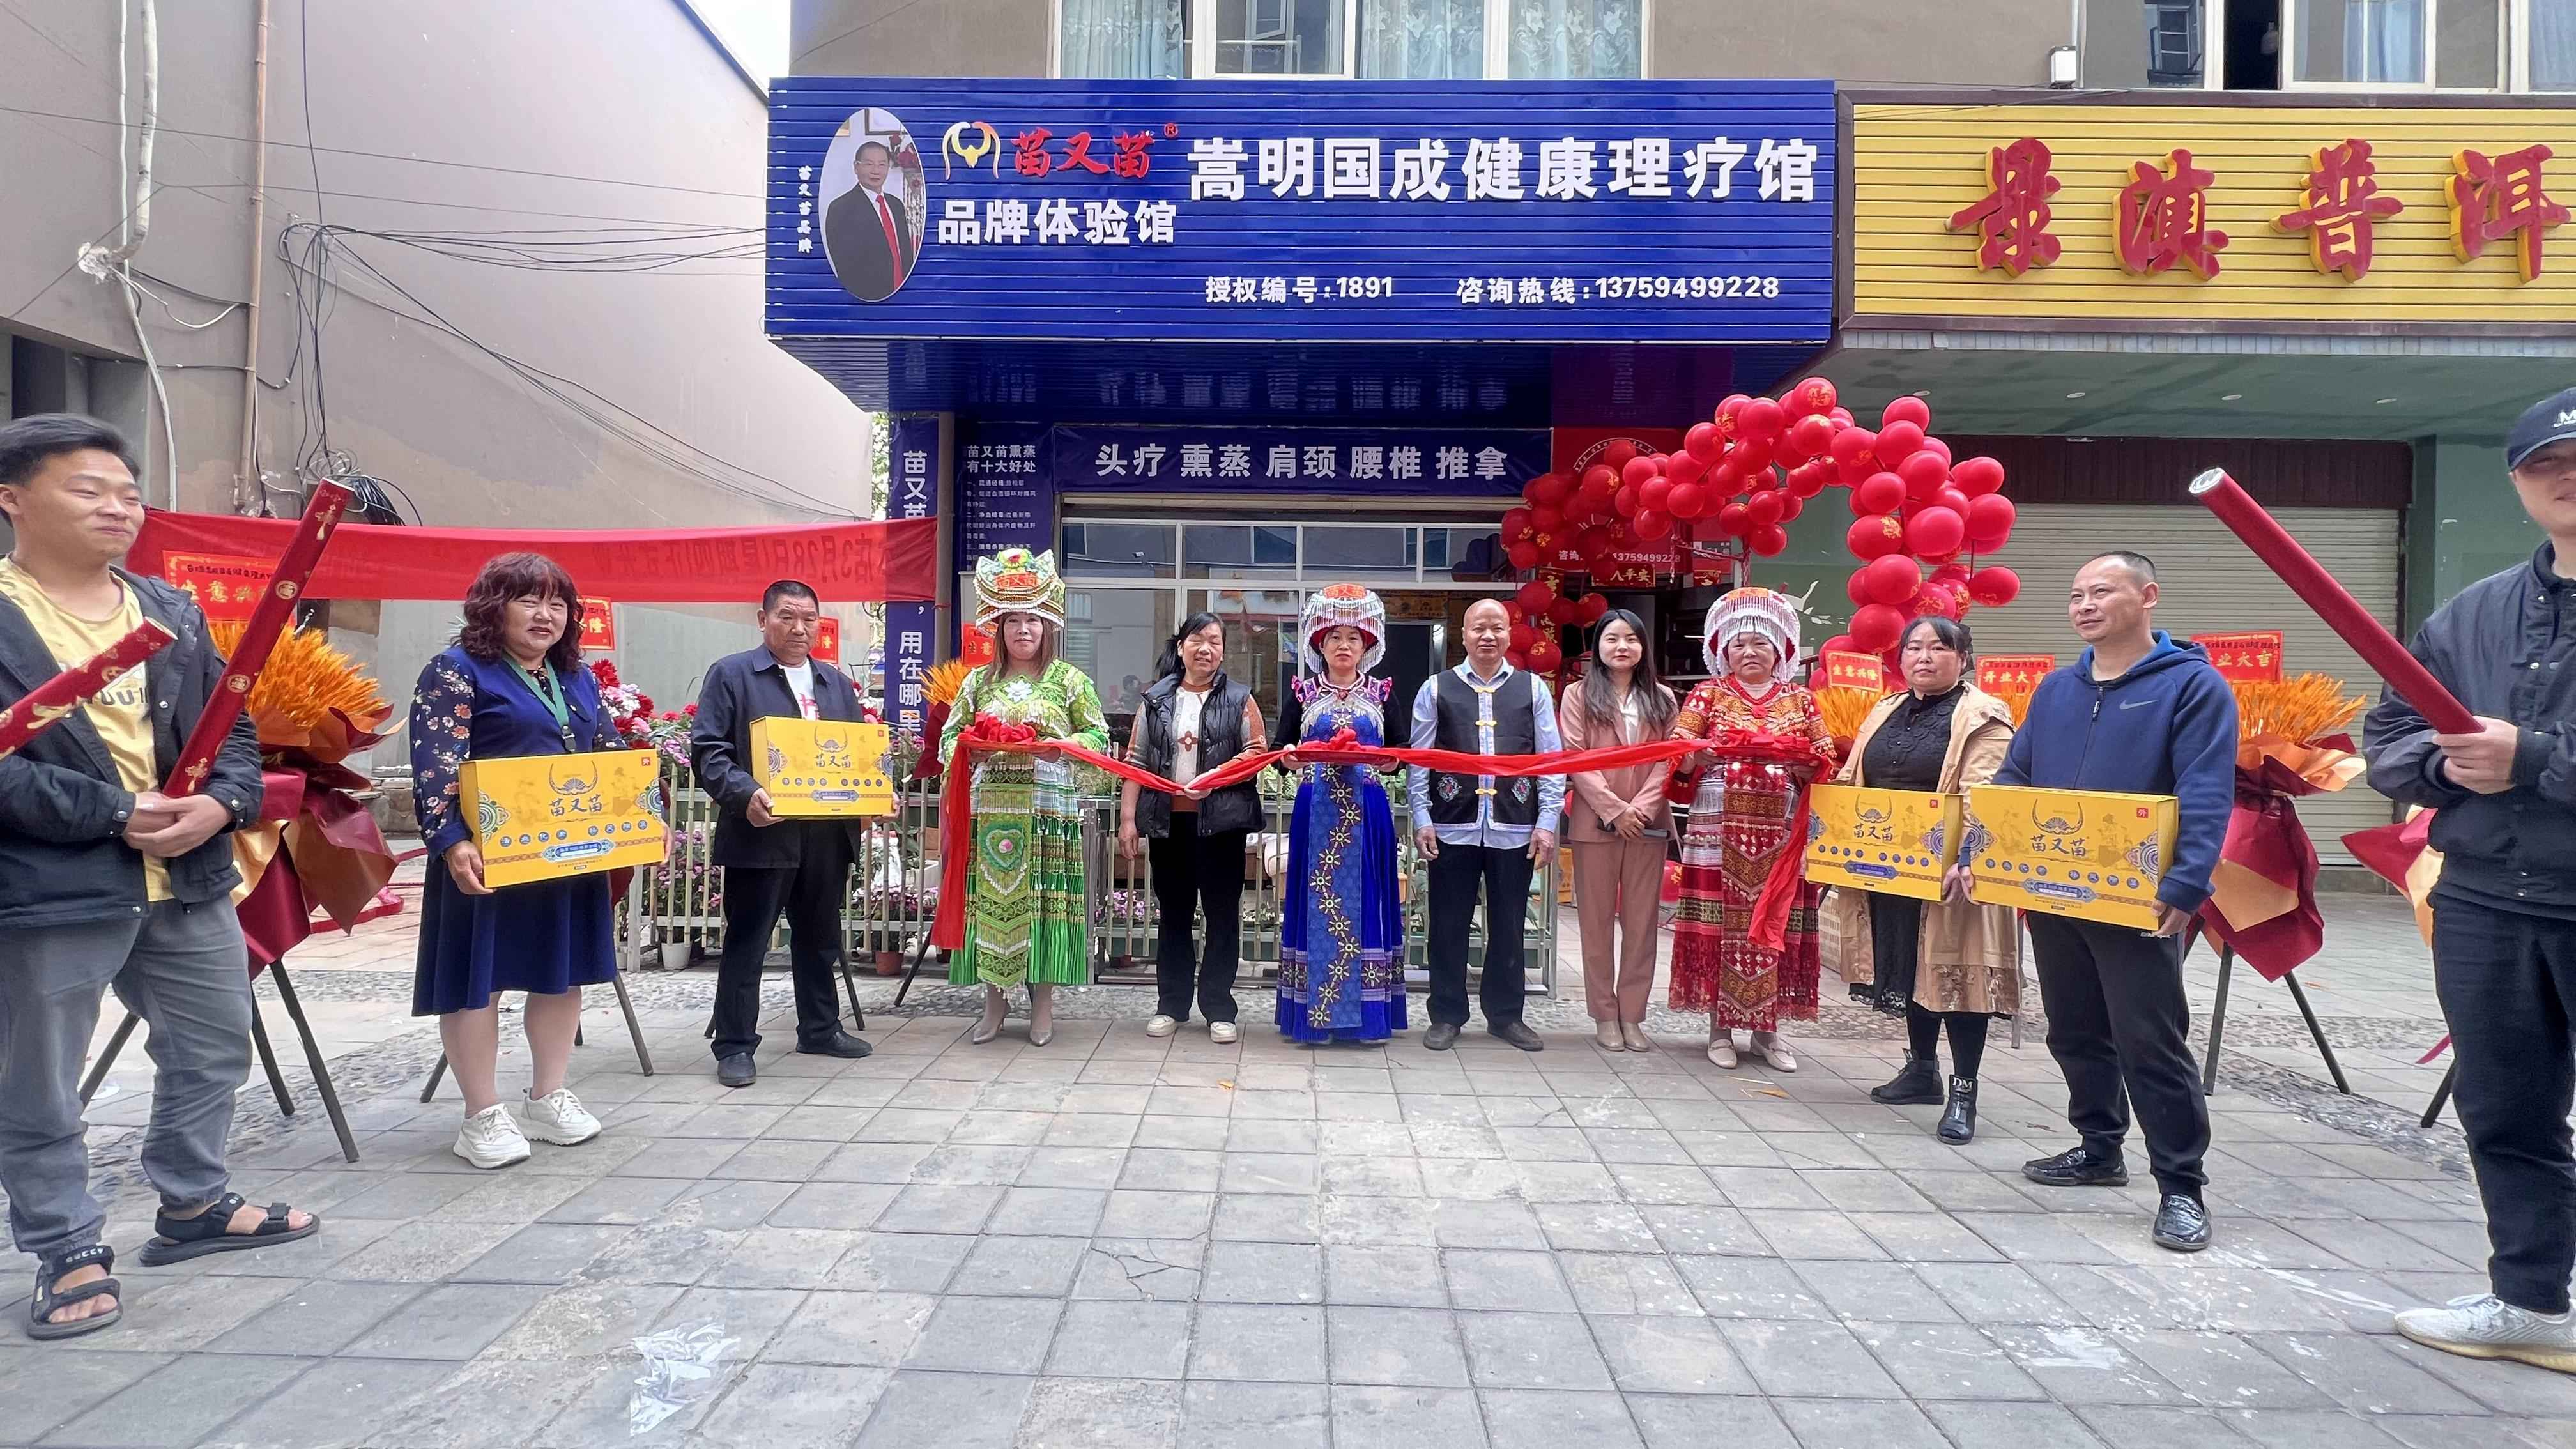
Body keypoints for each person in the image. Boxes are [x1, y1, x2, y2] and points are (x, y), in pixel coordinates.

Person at [0, 414, 315, 1339]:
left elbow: (233, 728)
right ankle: (65, 1244)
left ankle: (193, 1201)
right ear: (13, 499)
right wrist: (112, 813)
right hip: (53, 885)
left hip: (186, 876)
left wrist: (224, 804)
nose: (118, 508)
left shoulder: (168, 610)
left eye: (129, 494)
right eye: (88, 490)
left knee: (214, 1042)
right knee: (41, 1076)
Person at [2365, 387, 2576, 1370]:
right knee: (2505, 1110)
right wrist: (2450, 769)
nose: (2565, 478)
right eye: (2545, 465)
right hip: (2488, 899)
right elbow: (2390, 733)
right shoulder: (2475, 612)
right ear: (2518, 484)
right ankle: (2531, 1301)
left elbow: (2525, 755)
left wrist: (2533, 758)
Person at [1994, 551, 2235, 1254]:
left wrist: (2187, 884)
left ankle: (2181, 1186)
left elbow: (2206, 791)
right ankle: (2099, 1147)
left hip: (2139, 896)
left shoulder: (2192, 686)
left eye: (2102, 591)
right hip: (2052, 888)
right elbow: (2015, 778)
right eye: (2076, 595)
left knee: (2149, 1039)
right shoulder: (2056, 690)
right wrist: (1985, 853)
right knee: (2072, 1027)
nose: (2086, 605)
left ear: (2148, 595)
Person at [411, 553, 622, 1167]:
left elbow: (609, 753)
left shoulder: (575, 677)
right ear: (493, 606)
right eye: (529, 600)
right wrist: (452, 841)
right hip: (487, 857)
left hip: (565, 852)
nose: (545, 615)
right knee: (478, 981)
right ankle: (480, 1113)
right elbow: (436, 766)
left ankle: (547, 1095)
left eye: (558, 604)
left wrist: (646, 814)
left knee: (561, 971)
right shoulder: (456, 671)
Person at [1826, 616, 2021, 1144]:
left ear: (1964, 658)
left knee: (1959, 978)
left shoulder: (1982, 716)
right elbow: (1852, 780)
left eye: (1939, 648)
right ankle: (1921, 1070)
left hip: (1955, 872)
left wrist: (1968, 856)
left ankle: (1964, 1090)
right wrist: (1832, 844)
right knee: (1911, 967)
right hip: (1892, 865)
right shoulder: (1885, 708)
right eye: (1914, 648)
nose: (1924, 657)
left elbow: (1987, 793)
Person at [691, 580, 876, 1089]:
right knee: (748, 941)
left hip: (826, 833)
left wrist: (875, 794)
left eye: (809, 619)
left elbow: (856, 752)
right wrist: (744, 792)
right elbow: (708, 750)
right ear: (763, 620)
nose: (799, 628)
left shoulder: (835, 683)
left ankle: (820, 1028)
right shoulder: (733, 675)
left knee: (820, 937)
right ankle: (734, 1045)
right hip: (762, 830)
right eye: (787, 617)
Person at [940, 548, 1109, 1044]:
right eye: (1012, 620)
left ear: (1048, 626)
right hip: (991, 812)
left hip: (1047, 811)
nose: (1023, 630)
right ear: (998, 629)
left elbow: (1099, 737)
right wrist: (971, 748)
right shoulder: (978, 681)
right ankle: (994, 1003)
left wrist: (1063, 746)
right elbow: (950, 737)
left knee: (1044, 904)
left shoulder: (1070, 681)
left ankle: (1043, 1006)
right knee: (992, 903)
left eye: (1032, 620)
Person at [1668, 588, 1838, 1071]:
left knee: (1775, 921)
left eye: (1761, 643)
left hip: (1782, 829)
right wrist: (1697, 756)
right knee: (1721, 923)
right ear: (1724, 651)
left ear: (1780, 649)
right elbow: (1677, 750)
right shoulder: (1709, 694)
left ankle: (1768, 1033)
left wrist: (1808, 766)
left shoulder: (1801, 700)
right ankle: (1719, 1029)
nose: (1749, 652)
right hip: (1716, 825)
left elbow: (1826, 756)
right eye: (1739, 644)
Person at [1409, 596, 1563, 1052]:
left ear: (1510, 634)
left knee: (1510, 924)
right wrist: (1422, 817)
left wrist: (1547, 821)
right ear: (1464, 635)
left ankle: (1506, 1015)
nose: (1488, 636)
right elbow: (1420, 759)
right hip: (1451, 823)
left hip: (1514, 826)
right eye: (1479, 628)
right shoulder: (1435, 688)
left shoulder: (1533, 689)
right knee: (1447, 924)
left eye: (1497, 627)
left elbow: (1550, 759)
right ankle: (1447, 1014)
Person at [1121, 611, 1266, 1043]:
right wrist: (1128, 818)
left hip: (1222, 825)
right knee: (1174, 915)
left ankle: (1219, 1008)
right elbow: (1136, 760)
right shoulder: (1155, 700)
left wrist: (1215, 777)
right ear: (1181, 646)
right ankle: (1171, 1005)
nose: (1206, 649)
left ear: (1223, 650)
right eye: (1198, 640)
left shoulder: (1240, 698)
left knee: (1222, 916)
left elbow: (1256, 751)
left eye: (1215, 641)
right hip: (1170, 824)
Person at [1274, 585, 1407, 1045]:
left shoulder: (1382, 693)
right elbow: (1280, 750)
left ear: (1367, 645)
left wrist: (1387, 761)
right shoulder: (1304, 693)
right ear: (1320, 644)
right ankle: (1315, 1016)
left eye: (1353, 637)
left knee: (1367, 899)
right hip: (1317, 810)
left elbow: (1401, 752)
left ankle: (1368, 1017)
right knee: (1316, 902)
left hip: (1366, 811)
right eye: (1335, 637)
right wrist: (1291, 757)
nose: (1344, 646)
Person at [1557, 610, 1676, 1052]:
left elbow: (1671, 757)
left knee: (1643, 925)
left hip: (1648, 825)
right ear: (1598, 648)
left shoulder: (1662, 697)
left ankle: (1633, 1015)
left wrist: (1640, 809)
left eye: (1631, 639)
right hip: (1596, 824)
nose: (1622, 647)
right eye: (1612, 639)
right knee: (1596, 923)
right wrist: (1613, 810)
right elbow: (1574, 755)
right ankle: (1605, 1015)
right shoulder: (1578, 695)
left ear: (1643, 647)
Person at [824, 139, 917, 302]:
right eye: (869, 164)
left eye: (882, 165)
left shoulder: (896, 205)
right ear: (856, 167)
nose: (876, 171)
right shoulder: (841, 208)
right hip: (868, 301)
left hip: (903, 298)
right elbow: (844, 266)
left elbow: (905, 255)